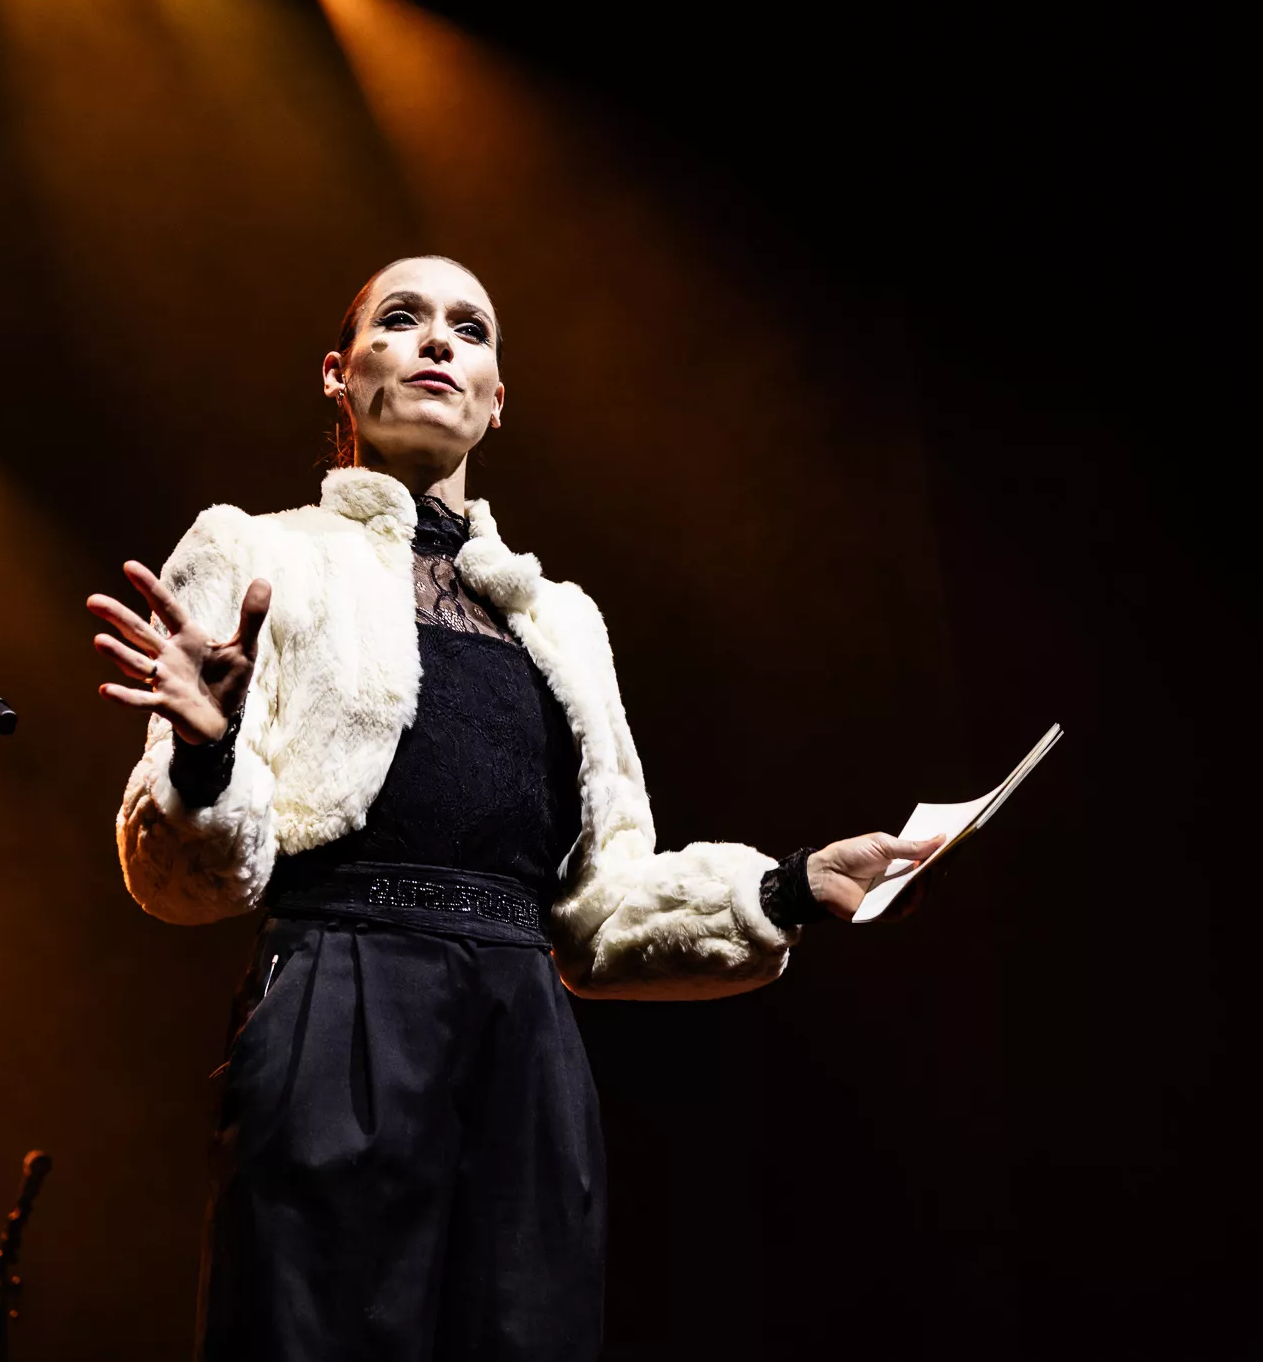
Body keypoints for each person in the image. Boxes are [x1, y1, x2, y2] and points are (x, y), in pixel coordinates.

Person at [86, 255, 941, 1361]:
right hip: (342, 999)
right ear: (341, 374)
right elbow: (177, 878)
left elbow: (599, 913)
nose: (439, 341)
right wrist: (205, 755)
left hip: (523, 1035)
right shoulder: (256, 554)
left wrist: (788, 887)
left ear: (497, 398)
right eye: (402, 319)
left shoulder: (563, 622)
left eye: (471, 330)